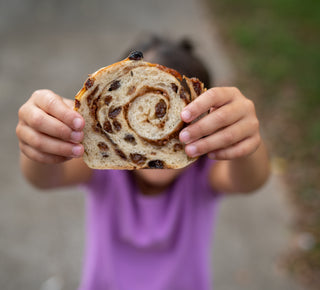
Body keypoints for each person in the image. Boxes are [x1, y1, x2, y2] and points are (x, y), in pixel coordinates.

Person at [16, 36, 270, 290]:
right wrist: (40, 143)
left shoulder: (203, 173)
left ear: (205, 122)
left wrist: (246, 144)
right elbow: (44, 178)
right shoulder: (105, 165)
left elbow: (251, 180)